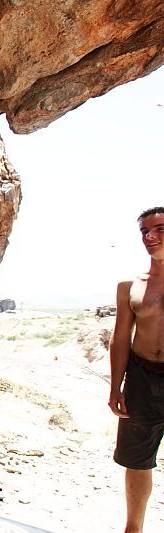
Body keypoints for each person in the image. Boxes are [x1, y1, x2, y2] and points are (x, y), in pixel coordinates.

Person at [108, 206, 164, 533]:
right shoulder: (131, 285)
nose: (150, 237)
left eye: (159, 229)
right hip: (141, 380)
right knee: (136, 460)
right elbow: (120, 338)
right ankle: (134, 528)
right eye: (144, 231)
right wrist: (116, 387)